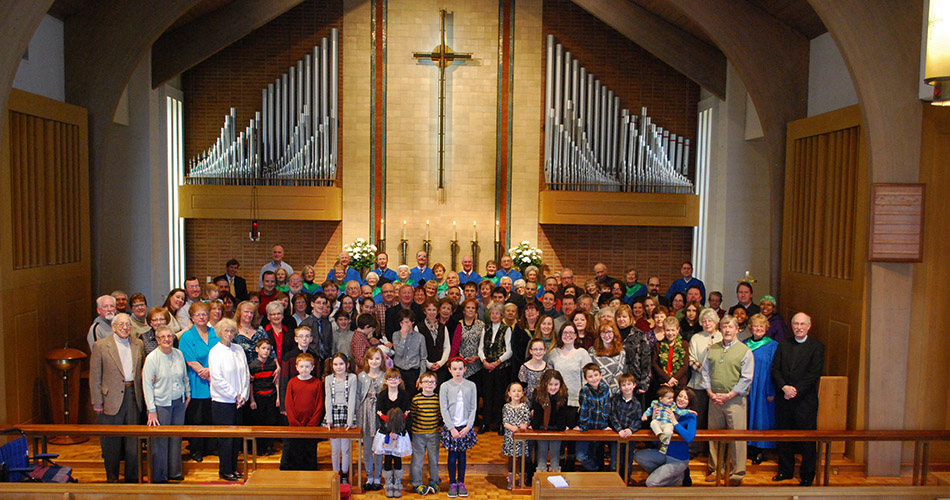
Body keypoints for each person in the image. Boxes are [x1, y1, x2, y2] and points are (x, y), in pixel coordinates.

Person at [771, 312, 825, 487]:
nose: (799, 327)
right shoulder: (783, 345)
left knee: (807, 440)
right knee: (784, 436)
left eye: (802, 324)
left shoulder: (817, 347)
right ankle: (785, 470)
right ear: (792, 325)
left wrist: (795, 391)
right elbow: (775, 369)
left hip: (805, 402)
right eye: (796, 324)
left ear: (809, 326)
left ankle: (807, 475)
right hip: (784, 399)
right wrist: (784, 387)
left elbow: (814, 374)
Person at [89, 313, 143, 483]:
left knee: (132, 443)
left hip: (133, 396)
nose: (125, 327)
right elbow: (95, 376)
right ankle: (112, 478)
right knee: (111, 442)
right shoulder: (101, 346)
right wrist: (97, 401)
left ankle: (132, 478)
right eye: (121, 325)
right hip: (109, 399)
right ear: (113, 327)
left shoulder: (138, 344)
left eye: (128, 324)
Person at [701, 314, 754, 486]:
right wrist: (709, 392)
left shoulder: (745, 351)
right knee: (714, 436)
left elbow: (746, 378)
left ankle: (737, 473)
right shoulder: (713, 348)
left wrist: (730, 395)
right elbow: (705, 371)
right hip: (714, 399)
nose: (727, 330)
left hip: (734, 400)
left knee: (737, 438)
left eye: (730, 327)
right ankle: (716, 468)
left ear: (737, 329)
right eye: (724, 327)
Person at [142, 325, 189, 483]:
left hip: (179, 402)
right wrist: (151, 410)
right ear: (157, 340)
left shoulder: (179, 354)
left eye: (169, 336)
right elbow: (147, 384)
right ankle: (159, 475)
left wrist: (187, 395)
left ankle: (174, 472)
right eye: (162, 337)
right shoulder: (152, 358)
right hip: (161, 404)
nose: (167, 339)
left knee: (176, 438)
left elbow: (184, 377)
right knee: (160, 441)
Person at [208, 318, 250, 482]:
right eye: (226, 331)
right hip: (222, 402)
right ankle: (225, 470)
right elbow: (217, 378)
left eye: (232, 331)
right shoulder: (215, 351)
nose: (229, 334)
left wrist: (243, 395)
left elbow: (245, 373)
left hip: (239, 402)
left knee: (236, 438)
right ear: (219, 332)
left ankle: (233, 467)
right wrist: (235, 394)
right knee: (226, 438)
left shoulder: (238, 348)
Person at [179, 302, 219, 463]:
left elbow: (221, 355)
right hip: (197, 383)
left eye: (204, 314)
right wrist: (208, 374)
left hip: (215, 383)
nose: (202, 317)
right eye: (198, 315)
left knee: (211, 417)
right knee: (197, 418)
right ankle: (196, 449)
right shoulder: (187, 337)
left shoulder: (216, 333)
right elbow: (190, 360)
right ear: (192, 318)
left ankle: (211, 446)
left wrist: (212, 372)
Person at [634, 388, 697, 487]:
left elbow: (689, 437)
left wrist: (675, 422)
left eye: (685, 398)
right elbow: (655, 442)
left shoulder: (690, 416)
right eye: (680, 396)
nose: (681, 399)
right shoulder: (667, 409)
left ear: (689, 402)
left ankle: (677, 479)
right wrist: (654, 419)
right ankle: (663, 477)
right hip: (663, 453)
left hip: (678, 459)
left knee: (651, 483)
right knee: (638, 455)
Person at [440, 357, 478, 498]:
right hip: (452, 427)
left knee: (462, 456)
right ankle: (452, 483)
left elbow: (473, 407)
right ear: (450, 370)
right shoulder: (445, 386)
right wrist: (451, 428)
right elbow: (443, 408)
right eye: (454, 369)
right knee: (452, 456)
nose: (457, 371)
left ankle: (461, 482)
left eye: (460, 369)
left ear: (465, 369)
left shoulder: (471, 385)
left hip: (464, 426)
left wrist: (469, 426)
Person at [281, 353, 325, 471]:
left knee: (310, 450)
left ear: (312, 367)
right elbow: (289, 404)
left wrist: (313, 423)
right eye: (301, 366)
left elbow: (319, 404)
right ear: (296, 367)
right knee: (296, 450)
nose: (304, 369)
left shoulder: (317, 383)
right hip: (295, 425)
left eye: (307, 366)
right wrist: (294, 422)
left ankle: (311, 474)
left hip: (311, 425)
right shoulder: (292, 382)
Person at [744, 313, 778, 465]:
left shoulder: (773, 346)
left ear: (766, 328)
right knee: (747, 417)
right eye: (755, 326)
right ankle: (748, 447)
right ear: (750, 327)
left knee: (761, 418)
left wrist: (771, 391)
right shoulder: (744, 344)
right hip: (747, 386)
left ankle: (761, 450)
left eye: (761, 326)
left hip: (764, 387)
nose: (758, 329)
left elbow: (775, 370)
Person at [687, 309, 722, 454]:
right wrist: (705, 371)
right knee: (698, 417)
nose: (707, 323)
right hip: (698, 383)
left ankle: (711, 451)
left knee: (714, 420)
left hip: (717, 384)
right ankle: (694, 449)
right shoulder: (696, 337)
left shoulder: (721, 336)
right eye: (704, 321)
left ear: (716, 322)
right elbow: (691, 359)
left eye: (710, 321)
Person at [375, 368, 412, 498]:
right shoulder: (382, 395)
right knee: (388, 457)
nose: (393, 381)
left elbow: (406, 413)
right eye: (390, 378)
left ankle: (397, 483)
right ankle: (388, 484)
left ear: (400, 380)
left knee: (397, 457)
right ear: (386, 380)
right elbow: (380, 414)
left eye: (396, 378)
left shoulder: (404, 395)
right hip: (386, 432)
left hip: (399, 433)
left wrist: (397, 431)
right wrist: (390, 430)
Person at [479, 302, 513, 434]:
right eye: (492, 313)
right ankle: (485, 423)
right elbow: (480, 348)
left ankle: (500, 424)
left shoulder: (506, 328)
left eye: (497, 313)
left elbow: (509, 350)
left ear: (501, 315)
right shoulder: (485, 328)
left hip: (501, 368)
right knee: (487, 396)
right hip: (487, 367)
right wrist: (484, 361)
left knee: (499, 396)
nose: (494, 315)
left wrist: (497, 362)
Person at [324, 352, 358, 484]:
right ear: (332, 366)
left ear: (347, 365)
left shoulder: (352, 378)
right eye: (336, 364)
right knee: (335, 448)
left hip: (346, 414)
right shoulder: (328, 379)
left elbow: (352, 400)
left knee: (346, 448)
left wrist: (350, 421)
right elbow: (327, 399)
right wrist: (329, 419)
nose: (338, 367)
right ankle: (335, 472)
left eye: (341, 364)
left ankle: (345, 473)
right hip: (333, 414)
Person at [358, 347, 387, 490]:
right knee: (368, 447)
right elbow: (358, 397)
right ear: (366, 360)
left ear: (382, 360)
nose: (374, 361)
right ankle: (369, 476)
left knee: (379, 447)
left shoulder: (386, 376)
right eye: (371, 358)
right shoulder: (361, 376)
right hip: (365, 413)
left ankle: (377, 477)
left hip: (379, 413)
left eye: (377, 358)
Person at [575, 363, 613, 472]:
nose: (594, 378)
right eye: (590, 376)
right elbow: (584, 410)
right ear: (586, 379)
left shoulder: (605, 388)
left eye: (596, 375)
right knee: (581, 456)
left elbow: (606, 407)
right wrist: (582, 426)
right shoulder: (584, 390)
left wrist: (604, 425)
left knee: (598, 455)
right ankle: (595, 470)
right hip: (587, 428)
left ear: (600, 375)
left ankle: (598, 476)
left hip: (600, 428)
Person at [409, 371, 442, 495]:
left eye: (432, 382)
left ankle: (434, 481)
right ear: (420, 384)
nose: (429, 384)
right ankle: (416, 482)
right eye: (426, 382)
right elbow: (413, 416)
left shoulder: (438, 399)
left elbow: (440, 416)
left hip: (434, 434)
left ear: (436, 385)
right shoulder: (416, 399)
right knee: (417, 460)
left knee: (434, 459)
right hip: (418, 434)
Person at [531, 369, 570, 473]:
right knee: (542, 453)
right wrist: (534, 427)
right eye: (550, 384)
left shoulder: (563, 394)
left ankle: (555, 475)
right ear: (545, 384)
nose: (553, 387)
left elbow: (562, 414)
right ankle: (541, 475)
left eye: (556, 384)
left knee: (555, 454)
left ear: (560, 384)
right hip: (542, 427)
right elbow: (537, 413)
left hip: (556, 428)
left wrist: (562, 428)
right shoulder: (538, 393)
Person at [546, 323, 592, 409]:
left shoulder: (582, 353)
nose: (568, 335)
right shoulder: (553, 353)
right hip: (557, 399)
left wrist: (585, 399)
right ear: (560, 335)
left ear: (576, 336)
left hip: (576, 401)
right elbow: (549, 377)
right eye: (565, 332)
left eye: (571, 332)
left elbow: (587, 379)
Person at [609, 373, 643, 482]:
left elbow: (638, 420)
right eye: (623, 385)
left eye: (629, 384)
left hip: (629, 436)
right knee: (615, 461)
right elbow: (612, 415)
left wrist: (630, 429)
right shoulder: (615, 399)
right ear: (620, 387)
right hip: (617, 435)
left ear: (634, 385)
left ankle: (626, 481)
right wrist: (619, 429)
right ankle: (614, 482)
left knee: (627, 461)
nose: (627, 387)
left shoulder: (637, 403)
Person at [248, 339, 279, 456]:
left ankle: (269, 446)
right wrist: (252, 400)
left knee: (270, 422)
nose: (266, 351)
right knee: (258, 423)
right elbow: (250, 384)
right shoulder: (252, 366)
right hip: (258, 397)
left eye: (268, 349)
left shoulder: (272, 364)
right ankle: (259, 447)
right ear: (257, 350)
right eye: (263, 348)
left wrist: (278, 398)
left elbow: (276, 382)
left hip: (271, 396)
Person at [280, 326, 321, 414]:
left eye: (307, 336)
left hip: (310, 398)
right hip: (293, 397)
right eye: (301, 336)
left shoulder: (315, 357)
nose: (304, 339)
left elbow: (318, 379)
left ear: (311, 339)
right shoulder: (289, 356)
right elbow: (283, 382)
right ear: (296, 339)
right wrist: (283, 406)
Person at [641, 386, 691, 454]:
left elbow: (680, 412)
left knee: (669, 431)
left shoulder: (672, 406)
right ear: (661, 399)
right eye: (669, 398)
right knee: (653, 423)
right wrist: (645, 415)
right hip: (658, 421)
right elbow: (649, 410)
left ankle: (665, 445)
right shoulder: (656, 404)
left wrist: (689, 411)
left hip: (667, 423)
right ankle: (660, 435)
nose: (672, 400)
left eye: (672, 398)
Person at [502, 381, 531, 489]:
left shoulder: (524, 407)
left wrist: (525, 425)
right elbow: (505, 422)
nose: (516, 393)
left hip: (522, 437)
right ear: (509, 393)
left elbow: (527, 420)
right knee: (512, 458)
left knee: (521, 458)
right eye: (514, 391)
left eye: (519, 391)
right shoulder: (506, 407)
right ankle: (511, 478)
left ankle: (522, 479)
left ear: (523, 393)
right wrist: (511, 427)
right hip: (510, 437)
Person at [391, 309, 427, 395]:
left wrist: (421, 376)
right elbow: (399, 353)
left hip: (413, 372)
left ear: (412, 322)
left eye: (407, 322)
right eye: (402, 323)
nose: (404, 325)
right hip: (399, 371)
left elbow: (423, 358)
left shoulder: (420, 337)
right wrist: (403, 337)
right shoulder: (396, 335)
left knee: (412, 397)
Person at [652, 317, 690, 393]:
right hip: (663, 383)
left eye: (673, 330)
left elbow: (685, 365)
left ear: (678, 330)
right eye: (668, 330)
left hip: (679, 383)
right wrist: (667, 379)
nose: (670, 333)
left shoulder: (684, 344)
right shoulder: (658, 345)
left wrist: (674, 379)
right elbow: (654, 363)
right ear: (664, 330)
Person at [590, 320, 626, 394]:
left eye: (609, 332)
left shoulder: (621, 352)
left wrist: (610, 392)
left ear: (614, 333)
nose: (606, 335)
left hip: (616, 392)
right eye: (603, 332)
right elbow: (591, 372)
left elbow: (620, 373)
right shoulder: (592, 351)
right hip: (596, 392)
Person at [519, 338, 550, 405]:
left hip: (543, 404)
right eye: (535, 349)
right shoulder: (524, 368)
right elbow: (522, 389)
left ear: (545, 351)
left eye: (541, 349)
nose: (538, 352)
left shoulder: (548, 368)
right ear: (530, 351)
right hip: (527, 403)